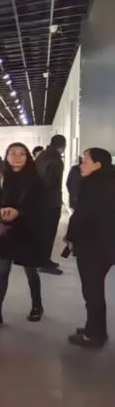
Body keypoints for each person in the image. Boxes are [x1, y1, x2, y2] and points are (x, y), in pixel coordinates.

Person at [0, 143, 43, 328]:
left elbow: (40, 206)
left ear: (28, 157)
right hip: (7, 231)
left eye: (22, 153)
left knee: (30, 271)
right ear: (6, 156)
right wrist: (1, 209)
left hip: (27, 230)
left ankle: (37, 306)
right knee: (2, 272)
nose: (17, 157)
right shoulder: (4, 178)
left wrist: (20, 212)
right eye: (12, 153)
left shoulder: (35, 179)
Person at [66, 149, 115, 348]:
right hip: (106, 245)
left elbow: (82, 215)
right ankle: (96, 329)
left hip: (93, 246)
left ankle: (94, 335)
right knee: (95, 290)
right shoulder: (109, 181)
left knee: (92, 291)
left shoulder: (93, 184)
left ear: (98, 164)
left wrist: (71, 236)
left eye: (85, 161)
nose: (81, 165)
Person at [35, 134, 67, 275]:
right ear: (62, 146)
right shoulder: (55, 160)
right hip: (50, 203)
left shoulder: (41, 156)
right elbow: (53, 185)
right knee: (48, 234)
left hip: (39, 202)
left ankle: (41, 260)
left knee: (42, 233)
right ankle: (44, 263)